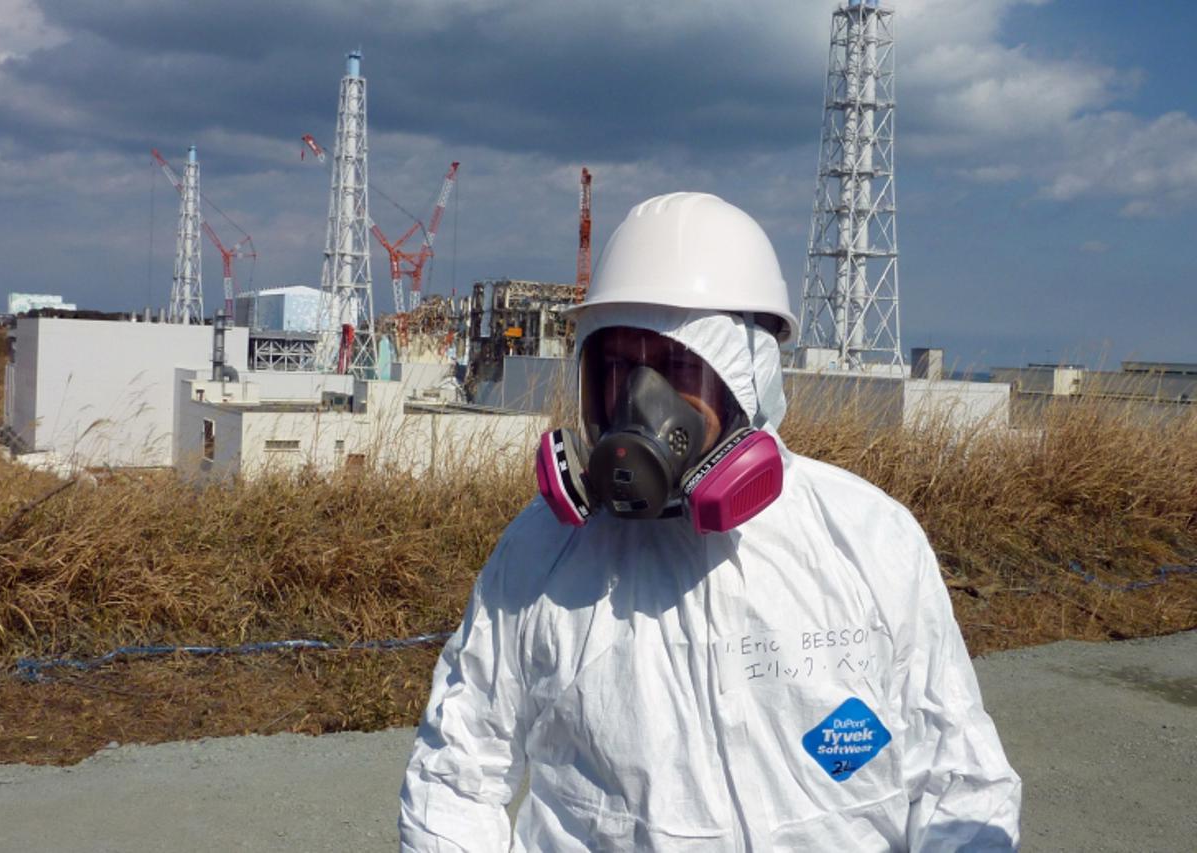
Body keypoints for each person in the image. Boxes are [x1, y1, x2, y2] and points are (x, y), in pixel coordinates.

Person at [400, 192, 1021, 851]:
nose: (640, 404)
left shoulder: (867, 539)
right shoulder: (544, 553)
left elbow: (959, 778)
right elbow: (456, 775)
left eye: (675, 368)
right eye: (616, 369)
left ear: (749, 377)